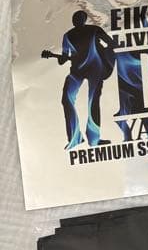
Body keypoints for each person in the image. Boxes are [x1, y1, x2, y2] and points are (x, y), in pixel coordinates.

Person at [42, 11, 117, 149]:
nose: (76, 20)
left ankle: (94, 140)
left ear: (84, 19)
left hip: (95, 69)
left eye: (79, 18)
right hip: (77, 71)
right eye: (74, 18)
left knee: (93, 101)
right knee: (67, 99)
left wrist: (105, 57)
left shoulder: (95, 30)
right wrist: (54, 56)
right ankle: (75, 138)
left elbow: (111, 44)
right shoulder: (68, 36)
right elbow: (63, 59)